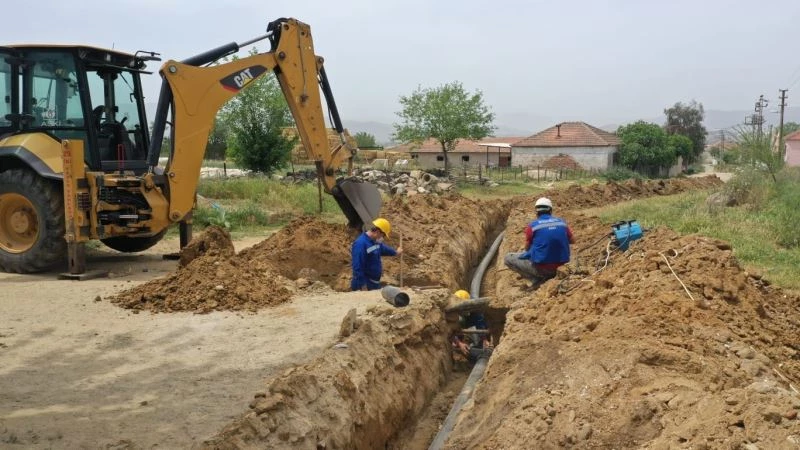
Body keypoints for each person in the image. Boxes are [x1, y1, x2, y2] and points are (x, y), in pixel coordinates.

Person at [504, 197, 574, 283]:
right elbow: (573, 240)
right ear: (551, 210)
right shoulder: (562, 222)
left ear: (537, 212)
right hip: (562, 268)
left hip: (542, 270)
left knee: (508, 258)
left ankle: (535, 279)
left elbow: (527, 248)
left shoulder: (533, 226)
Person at [350, 217, 403, 291]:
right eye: (383, 235)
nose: (382, 238)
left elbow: (383, 249)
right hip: (364, 284)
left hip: (374, 284)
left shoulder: (374, 242)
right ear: (378, 231)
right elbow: (357, 267)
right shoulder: (361, 244)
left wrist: (395, 252)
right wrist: (363, 286)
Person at [450, 290, 493, 363]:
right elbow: (449, 330)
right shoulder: (451, 313)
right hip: (459, 326)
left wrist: (484, 339)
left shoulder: (474, 310)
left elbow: (479, 323)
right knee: (455, 341)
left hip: (469, 320)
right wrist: (459, 343)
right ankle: (460, 345)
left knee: (485, 323)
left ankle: (481, 346)